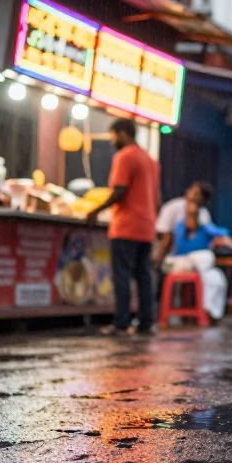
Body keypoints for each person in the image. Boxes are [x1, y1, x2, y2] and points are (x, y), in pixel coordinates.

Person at [87, 118, 159, 336]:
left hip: (126, 226)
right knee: (143, 276)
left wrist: (96, 210)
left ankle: (121, 323)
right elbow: (157, 196)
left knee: (122, 276)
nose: (111, 141)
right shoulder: (149, 160)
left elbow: (120, 190)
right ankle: (146, 323)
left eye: (113, 136)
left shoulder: (125, 156)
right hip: (146, 226)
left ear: (124, 134)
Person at [165, 199, 232, 320]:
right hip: (184, 262)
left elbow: (224, 235)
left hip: (202, 265)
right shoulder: (180, 228)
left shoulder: (205, 229)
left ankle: (209, 311)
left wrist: (221, 241)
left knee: (216, 279)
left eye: (194, 215)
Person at [154, 181, 213, 263]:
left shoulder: (204, 214)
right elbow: (165, 238)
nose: (193, 196)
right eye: (193, 192)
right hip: (169, 256)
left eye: (197, 195)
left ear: (203, 200)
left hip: (195, 258)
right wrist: (158, 261)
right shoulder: (171, 207)